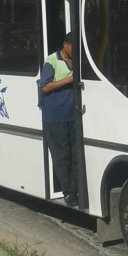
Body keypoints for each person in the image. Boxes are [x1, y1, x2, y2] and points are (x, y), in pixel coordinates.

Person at [38, 33, 78, 207]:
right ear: (65, 44)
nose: (75, 50)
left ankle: (78, 189)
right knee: (62, 157)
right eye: (73, 47)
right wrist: (68, 80)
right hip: (55, 118)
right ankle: (69, 193)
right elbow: (44, 86)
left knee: (75, 155)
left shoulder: (76, 61)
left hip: (74, 116)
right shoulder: (51, 61)